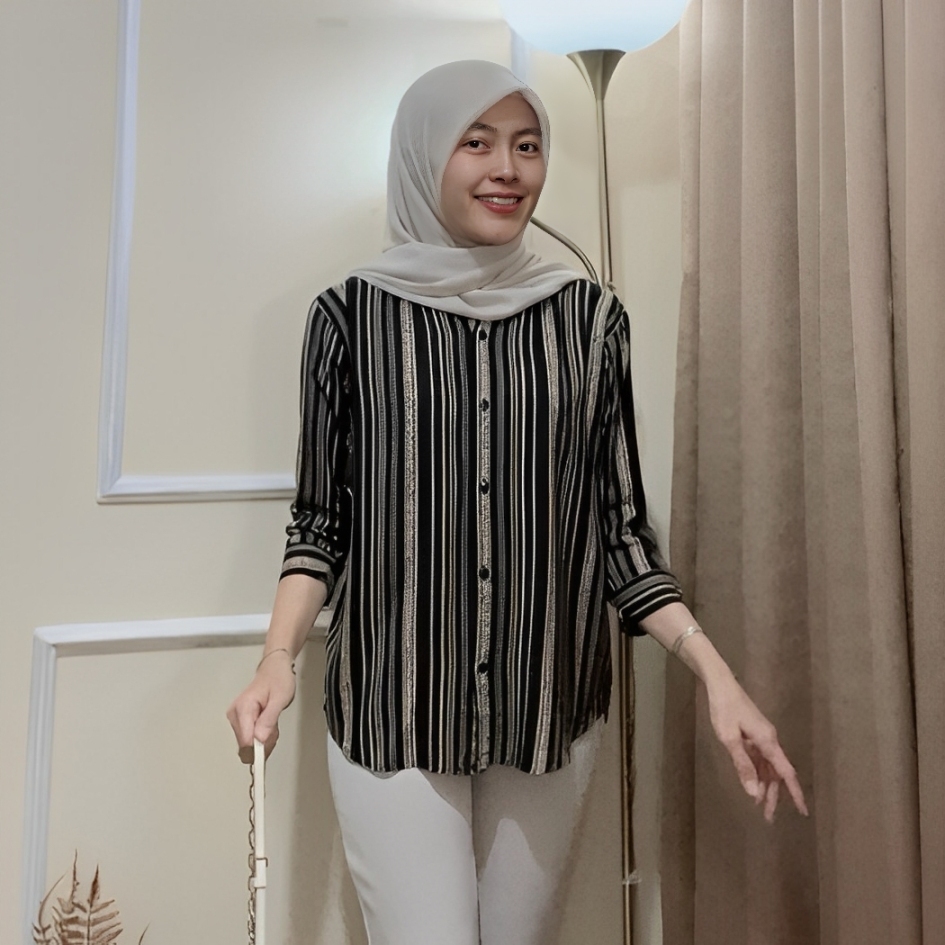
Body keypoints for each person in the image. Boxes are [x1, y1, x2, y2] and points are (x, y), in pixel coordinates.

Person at [227, 59, 808, 945]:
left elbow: (620, 532)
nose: (508, 168)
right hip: (395, 704)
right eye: (477, 142)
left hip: (548, 709)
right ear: (424, 154)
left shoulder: (590, 320)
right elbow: (321, 522)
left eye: (527, 145)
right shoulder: (348, 318)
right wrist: (277, 658)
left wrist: (717, 680)